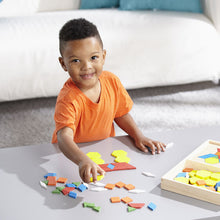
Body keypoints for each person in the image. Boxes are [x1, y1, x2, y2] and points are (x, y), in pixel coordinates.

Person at [52, 18, 166, 183]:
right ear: (63, 64)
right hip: (72, 156)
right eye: (76, 60)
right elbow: (64, 137)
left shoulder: (111, 81)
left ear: (103, 56)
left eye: (93, 57)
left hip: (102, 150)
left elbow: (120, 114)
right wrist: (82, 160)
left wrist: (138, 136)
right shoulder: (68, 98)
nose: (87, 67)